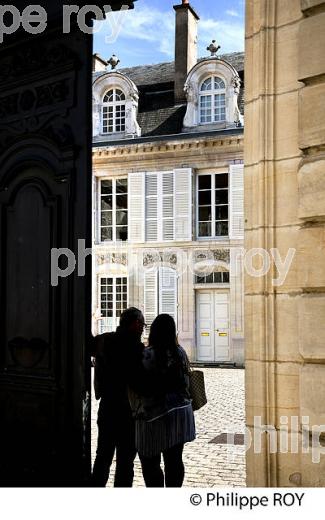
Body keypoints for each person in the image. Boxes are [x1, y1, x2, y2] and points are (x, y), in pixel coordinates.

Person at [131, 314, 196, 487]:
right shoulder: (180, 352)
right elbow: (187, 382)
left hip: (154, 416)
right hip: (180, 413)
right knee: (174, 461)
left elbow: (137, 385)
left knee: (150, 462)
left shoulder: (147, 354)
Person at [91, 307, 145, 487]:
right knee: (125, 462)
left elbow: (89, 346)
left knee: (102, 457)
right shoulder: (137, 348)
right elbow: (139, 382)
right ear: (135, 323)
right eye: (142, 324)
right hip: (128, 411)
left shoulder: (105, 340)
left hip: (107, 406)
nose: (142, 328)